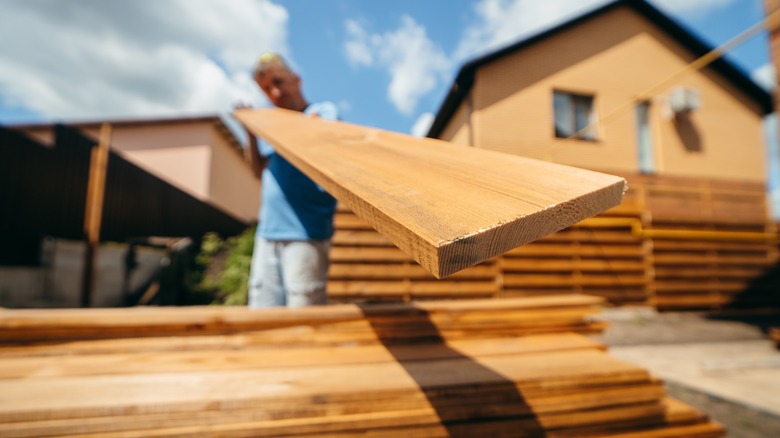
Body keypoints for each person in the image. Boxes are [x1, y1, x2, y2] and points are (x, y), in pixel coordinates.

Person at [241, 52, 339, 308]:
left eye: (278, 82)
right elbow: (257, 169)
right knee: (263, 308)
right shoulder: (273, 131)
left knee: (303, 309)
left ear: (296, 79)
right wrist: (251, 133)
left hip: (305, 233)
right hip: (268, 232)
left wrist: (270, 122)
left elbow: (323, 137)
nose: (274, 93)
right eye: (266, 89)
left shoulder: (321, 112)